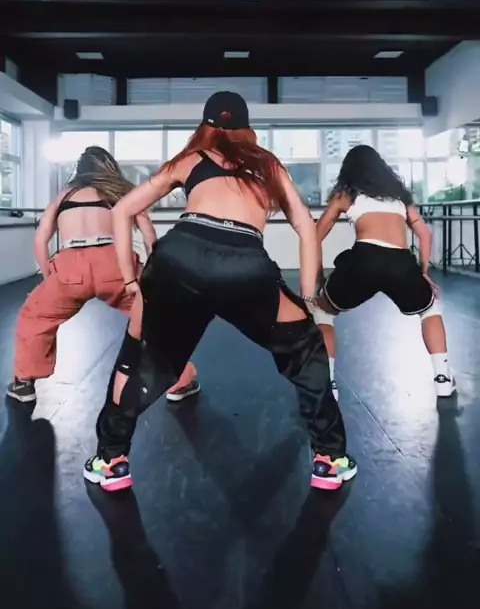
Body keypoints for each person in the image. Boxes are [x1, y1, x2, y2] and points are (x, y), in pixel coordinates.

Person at [83, 91, 357, 493]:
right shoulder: (267, 164)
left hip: (179, 255)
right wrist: (307, 297)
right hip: (244, 262)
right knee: (307, 350)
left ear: (205, 127)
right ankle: (330, 460)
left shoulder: (191, 159)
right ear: (247, 128)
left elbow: (124, 209)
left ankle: (110, 460)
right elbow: (304, 226)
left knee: (143, 360)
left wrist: (129, 279)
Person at [7, 145, 197, 404]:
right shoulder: (120, 192)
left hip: (70, 267)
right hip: (115, 264)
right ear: (109, 167)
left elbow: (41, 241)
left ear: (79, 169)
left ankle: (23, 384)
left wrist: (50, 279)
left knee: (35, 316)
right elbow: (149, 235)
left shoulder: (63, 196)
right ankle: (181, 381)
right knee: (153, 319)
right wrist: (153, 274)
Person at [313, 144, 455, 401]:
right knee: (430, 309)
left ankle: (328, 385)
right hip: (400, 261)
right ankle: (443, 379)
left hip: (364, 259)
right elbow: (424, 234)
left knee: (323, 311)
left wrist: (317, 274)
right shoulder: (399, 197)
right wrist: (422, 272)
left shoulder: (346, 195)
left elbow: (314, 236)